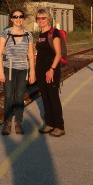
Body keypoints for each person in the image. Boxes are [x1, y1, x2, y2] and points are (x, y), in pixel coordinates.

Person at [0, 9, 35, 135]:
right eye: (15, 17)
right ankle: (7, 123)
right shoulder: (5, 33)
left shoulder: (28, 35)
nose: (18, 19)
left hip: (23, 69)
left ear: (23, 18)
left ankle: (18, 122)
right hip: (9, 68)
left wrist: (32, 72)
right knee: (8, 96)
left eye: (20, 17)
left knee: (19, 97)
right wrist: (1, 72)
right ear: (11, 19)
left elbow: (30, 54)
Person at [34, 8, 65, 137]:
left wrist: (51, 69)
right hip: (40, 70)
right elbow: (42, 52)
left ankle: (59, 126)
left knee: (53, 97)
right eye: (38, 18)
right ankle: (49, 123)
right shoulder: (40, 34)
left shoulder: (54, 33)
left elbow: (58, 54)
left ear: (48, 19)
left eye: (43, 18)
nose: (40, 20)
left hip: (51, 70)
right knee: (45, 97)